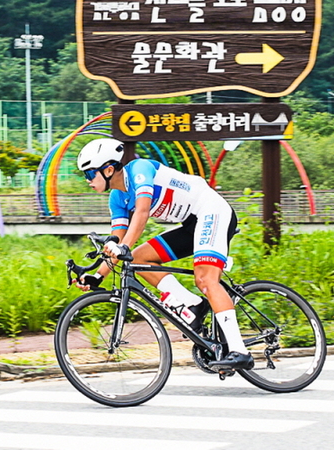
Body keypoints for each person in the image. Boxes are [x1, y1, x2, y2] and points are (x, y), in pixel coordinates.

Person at [75, 137, 254, 371]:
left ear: (108, 169)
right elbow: (118, 239)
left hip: (211, 211)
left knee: (206, 280)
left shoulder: (139, 171)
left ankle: (240, 351)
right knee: (138, 259)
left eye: (89, 175)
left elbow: (142, 211)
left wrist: (124, 247)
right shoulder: (116, 197)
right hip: (190, 224)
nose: (87, 181)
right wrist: (98, 276)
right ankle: (193, 305)